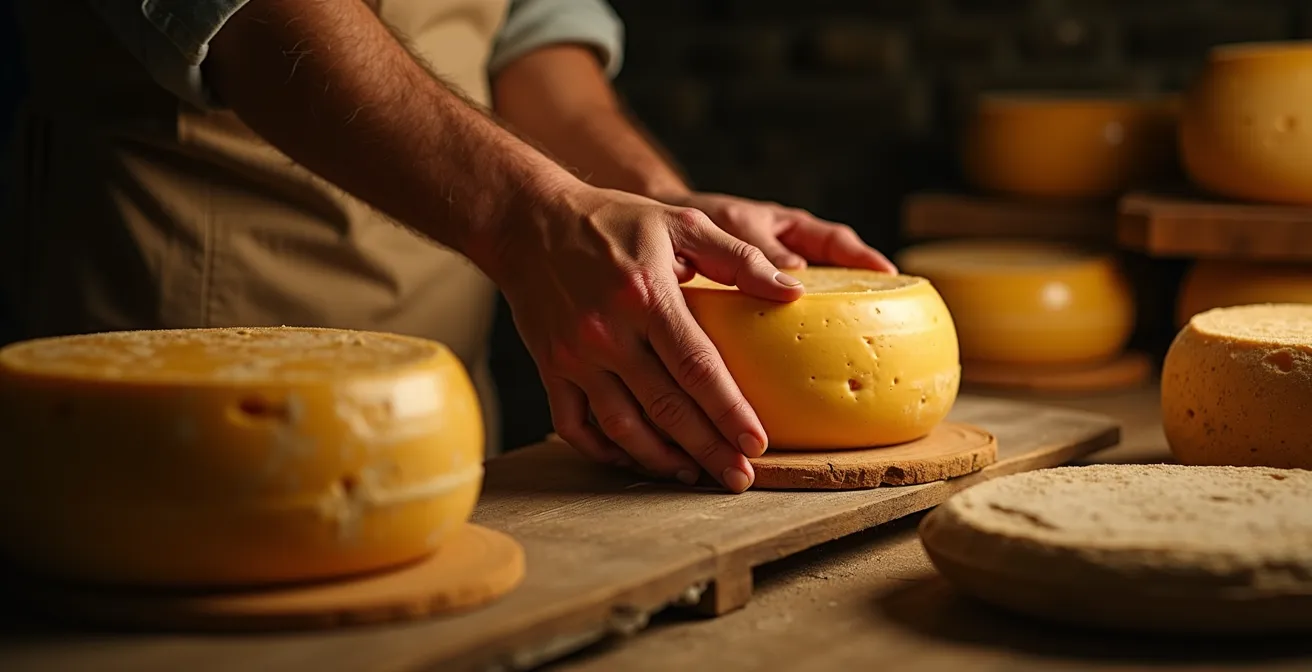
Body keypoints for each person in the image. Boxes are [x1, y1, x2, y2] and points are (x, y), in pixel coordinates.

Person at [1, 0, 896, 493]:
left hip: (438, 401)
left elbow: (527, 28)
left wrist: (651, 201)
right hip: (182, 363)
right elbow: (246, 15)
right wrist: (533, 220)